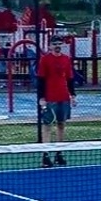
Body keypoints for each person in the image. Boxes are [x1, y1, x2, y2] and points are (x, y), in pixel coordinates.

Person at [36, 36, 77, 167]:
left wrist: (73, 96)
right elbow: (41, 80)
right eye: (55, 44)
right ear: (50, 46)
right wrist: (42, 98)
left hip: (63, 97)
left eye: (60, 44)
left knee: (61, 125)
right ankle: (45, 155)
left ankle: (59, 153)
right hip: (49, 98)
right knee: (47, 126)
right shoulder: (45, 59)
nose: (57, 46)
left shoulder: (66, 59)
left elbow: (70, 79)